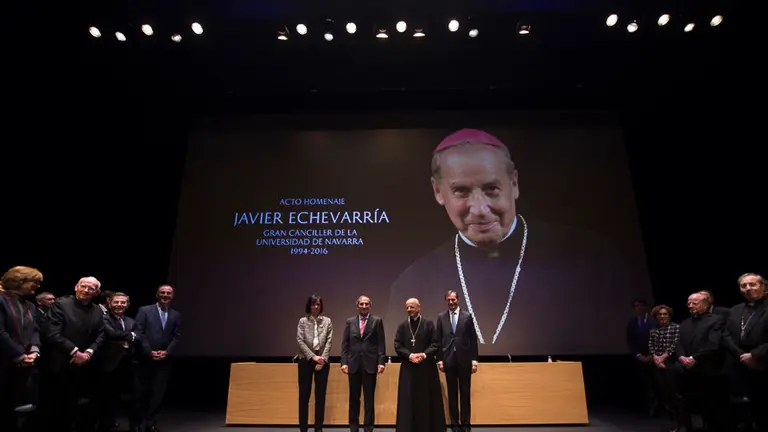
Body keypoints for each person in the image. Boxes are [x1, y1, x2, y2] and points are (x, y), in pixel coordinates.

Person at [385, 128, 642, 355]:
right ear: (438, 192)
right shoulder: (413, 282)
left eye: (491, 189)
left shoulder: (590, 256)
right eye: (461, 191)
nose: (480, 209)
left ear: (514, 183)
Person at [43, 276, 106, 431]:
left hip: (84, 364)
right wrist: (75, 352)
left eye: (91, 288)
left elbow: (101, 334)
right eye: (83, 286)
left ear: (97, 292)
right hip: (60, 363)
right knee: (55, 405)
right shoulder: (61, 304)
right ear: (76, 286)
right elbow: (52, 333)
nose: (86, 290)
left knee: (75, 404)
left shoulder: (97, 310)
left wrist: (89, 352)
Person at [674, 292, 726, 432]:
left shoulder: (716, 320)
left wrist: (694, 358)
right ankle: (685, 426)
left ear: (705, 304)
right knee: (684, 402)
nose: (690, 306)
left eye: (694, 303)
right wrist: (681, 357)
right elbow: (678, 343)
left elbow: (713, 344)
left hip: (706, 369)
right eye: (688, 303)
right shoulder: (685, 322)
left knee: (708, 405)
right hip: (685, 370)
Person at [722, 273, 768, 431]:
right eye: (743, 286)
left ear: (763, 286)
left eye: (752, 284)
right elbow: (726, 335)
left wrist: (754, 355)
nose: (748, 288)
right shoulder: (735, 309)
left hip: (763, 364)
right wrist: (741, 355)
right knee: (747, 410)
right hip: (740, 366)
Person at [0, 266, 43, 432]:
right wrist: (18, 354)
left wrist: (34, 350)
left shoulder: (30, 306)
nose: (38, 286)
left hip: (24, 364)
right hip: (4, 362)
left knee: (20, 410)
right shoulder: (1, 300)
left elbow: (35, 330)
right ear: (20, 281)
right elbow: (0, 331)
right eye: (35, 282)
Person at [393, 298, 445, 432]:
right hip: (408, 368)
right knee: (408, 400)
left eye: (412, 307)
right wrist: (410, 355)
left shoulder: (428, 324)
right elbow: (397, 345)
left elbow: (435, 344)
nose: (409, 310)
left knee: (426, 400)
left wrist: (423, 355)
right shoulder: (402, 326)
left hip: (426, 368)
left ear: (418, 307)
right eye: (407, 307)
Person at [135, 284, 181, 432]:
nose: (165, 295)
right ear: (157, 294)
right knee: (142, 391)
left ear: (172, 296)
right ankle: (138, 422)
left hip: (165, 360)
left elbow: (176, 337)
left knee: (158, 392)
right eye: (163, 292)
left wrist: (166, 352)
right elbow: (138, 332)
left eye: (169, 293)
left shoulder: (176, 315)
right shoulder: (144, 310)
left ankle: (151, 421)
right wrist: (150, 352)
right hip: (145, 358)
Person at [340, 295, 386, 432]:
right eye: (361, 304)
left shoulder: (377, 321)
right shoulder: (350, 322)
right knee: (354, 399)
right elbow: (345, 344)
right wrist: (344, 362)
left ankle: (368, 427)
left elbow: (381, 343)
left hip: (370, 365)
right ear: (357, 306)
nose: (364, 306)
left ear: (370, 306)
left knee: (369, 400)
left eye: (366, 304)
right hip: (353, 365)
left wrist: (381, 362)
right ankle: (353, 427)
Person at [435, 290, 478, 432]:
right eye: (449, 300)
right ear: (446, 301)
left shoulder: (467, 316)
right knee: (452, 393)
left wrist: (474, 360)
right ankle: (454, 424)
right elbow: (438, 340)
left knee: (465, 393)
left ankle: (465, 424)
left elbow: (473, 340)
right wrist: (440, 360)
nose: (451, 302)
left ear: (458, 300)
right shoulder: (441, 317)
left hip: (465, 360)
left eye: (453, 299)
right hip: (448, 360)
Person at [296, 294, 333, 432]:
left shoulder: (327, 321)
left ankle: (318, 428)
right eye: (313, 304)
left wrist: (321, 359)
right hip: (306, 361)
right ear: (309, 306)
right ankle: (303, 428)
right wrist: (313, 357)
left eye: (318, 304)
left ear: (321, 306)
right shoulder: (302, 321)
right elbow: (300, 341)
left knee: (320, 396)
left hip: (322, 361)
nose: (316, 307)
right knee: (304, 396)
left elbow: (329, 341)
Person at [647, 304, 680, 431]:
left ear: (669, 315)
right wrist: (656, 358)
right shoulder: (654, 330)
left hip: (671, 363)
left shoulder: (676, 328)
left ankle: (680, 422)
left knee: (674, 394)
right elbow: (651, 346)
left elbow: (675, 344)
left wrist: (663, 358)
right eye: (659, 314)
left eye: (665, 314)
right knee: (664, 394)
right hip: (657, 365)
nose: (662, 316)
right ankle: (671, 421)